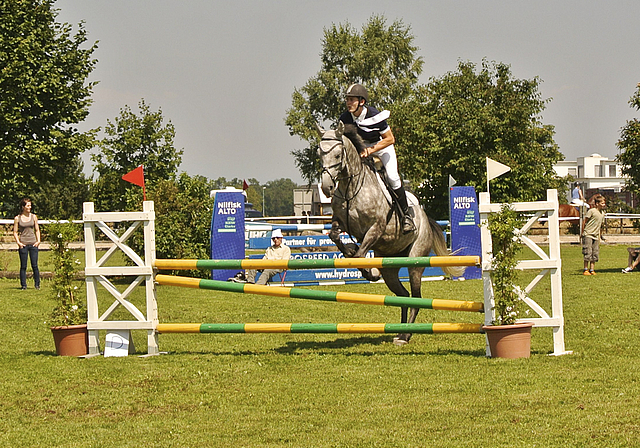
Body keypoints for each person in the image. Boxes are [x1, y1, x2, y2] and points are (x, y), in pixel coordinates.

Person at [339, 83, 415, 234]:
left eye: (352, 100)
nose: (348, 103)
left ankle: (406, 216)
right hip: (361, 149)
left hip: (382, 147)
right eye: (347, 99)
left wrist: (371, 150)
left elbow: (390, 139)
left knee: (392, 177)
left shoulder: (375, 115)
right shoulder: (345, 118)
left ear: (362, 101)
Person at [13, 198, 41, 290]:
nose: (30, 207)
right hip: (23, 244)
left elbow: (37, 229)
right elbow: (15, 232)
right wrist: (19, 243)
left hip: (33, 244)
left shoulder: (33, 217)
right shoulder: (18, 218)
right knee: (23, 266)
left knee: (35, 265)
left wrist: (38, 241)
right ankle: (23, 285)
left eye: (30, 205)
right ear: (23, 207)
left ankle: (37, 285)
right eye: (28, 205)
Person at [581, 194, 606, 276]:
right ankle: (585, 269)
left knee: (595, 253)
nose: (604, 204)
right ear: (597, 204)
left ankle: (592, 269)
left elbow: (601, 226)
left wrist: (600, 236)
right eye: (602, 203)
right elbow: (585, 221)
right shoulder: (591, 211)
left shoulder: (602, 213)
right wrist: (582, 232)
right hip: (588, 234)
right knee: (588, 252)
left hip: (596, 236)